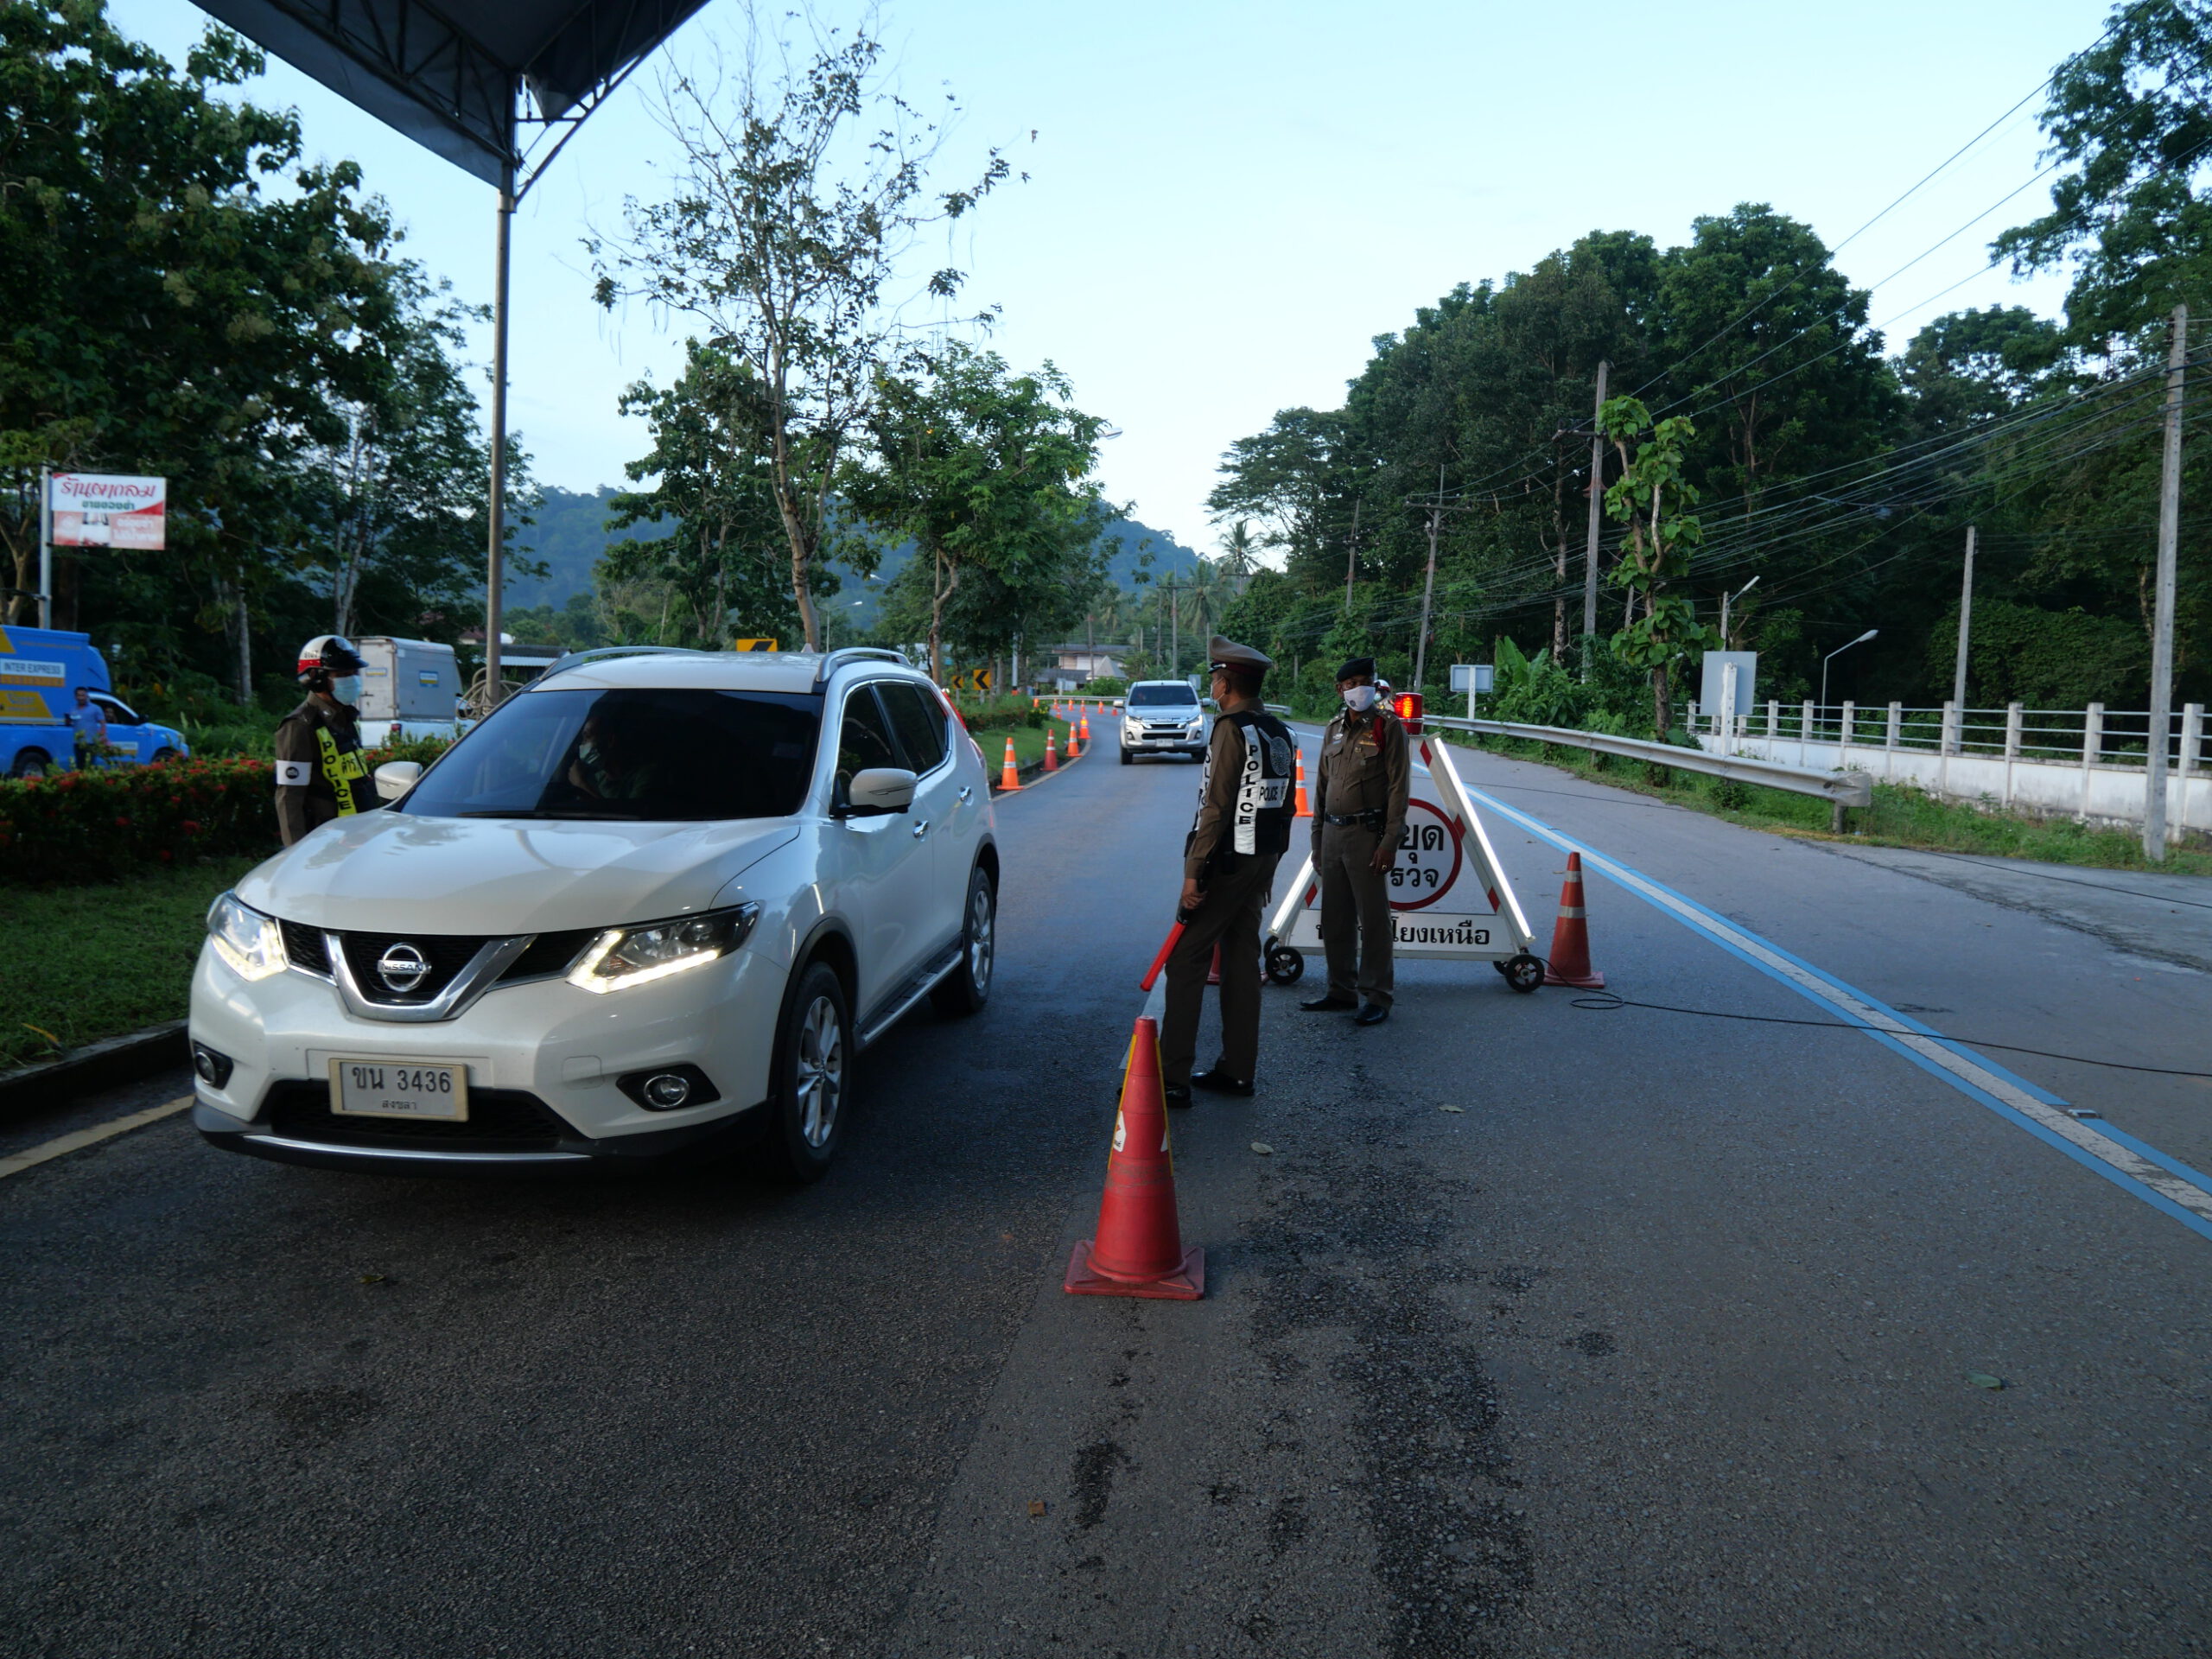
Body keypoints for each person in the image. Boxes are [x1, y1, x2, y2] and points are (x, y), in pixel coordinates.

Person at [1159, 637, 1297, 1108]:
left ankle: (1171, 1078)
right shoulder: (1279, 730)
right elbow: (1285, 807)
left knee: (1186, 960)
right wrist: (1270, 870)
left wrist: (1193, 872)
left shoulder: (1230, 729)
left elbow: (1215, 807)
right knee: (1240, 961)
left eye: (1216, 678)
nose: (1213, 684)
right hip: (1260, 861)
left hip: (1227, 862)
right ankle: (1238, 1071)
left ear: (1227, 684)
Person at [1301, 656, 1411, 1027]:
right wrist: (1317, 839)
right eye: (1351, 684)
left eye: (1365, 682)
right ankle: (1340, 990)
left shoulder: (1387, 727)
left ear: (1374, 686)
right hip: (1332, 834)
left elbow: (1399, 788)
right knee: (1335, 918)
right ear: (1340, 689)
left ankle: (1378, 996)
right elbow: (1321, 787)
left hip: (1367, 834)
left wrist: (1390, 841)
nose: (1359, 689)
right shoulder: (1333, 730)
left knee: (1374, 920)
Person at [275, 635, 380, 846]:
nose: (352, 680)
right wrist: (296, 851)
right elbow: (289, 796)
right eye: (342, 674)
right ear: (316, 678)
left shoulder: (346, 717)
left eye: (354, 673)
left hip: (358, 834)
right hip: (325, 840)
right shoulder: (299, 726)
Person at [67, 686, 107, 769]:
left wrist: (103, 736)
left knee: (90, 765)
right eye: (79, 695)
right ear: (75, 697)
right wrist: (67, 719)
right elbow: (69, 723)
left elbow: (102, 723)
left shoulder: (95, 708)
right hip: (78, 743)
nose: (81, 698)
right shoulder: (73, 709)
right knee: (79, 766)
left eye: (83, 695)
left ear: (87, 696)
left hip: (91, 742)